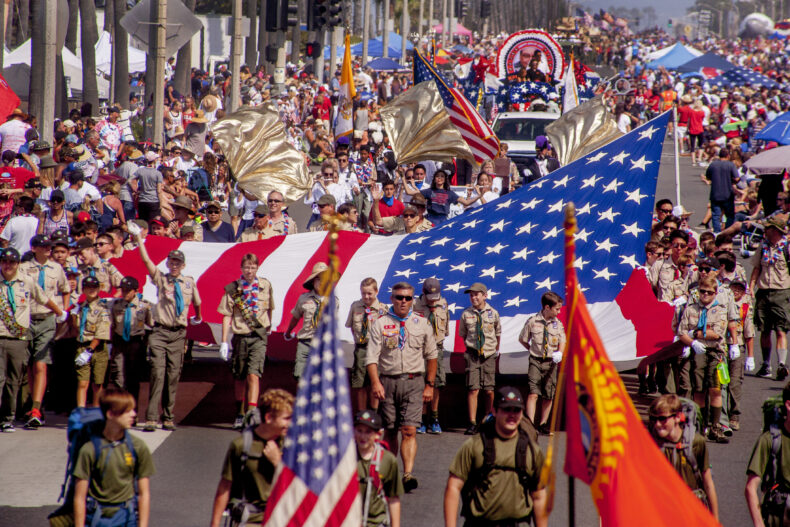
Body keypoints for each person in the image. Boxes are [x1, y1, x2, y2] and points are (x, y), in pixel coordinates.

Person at [367, 281, 438, 493]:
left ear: (412, 299)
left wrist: (430, 386)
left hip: (414, 382)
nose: (403, 301)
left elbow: (432, 356)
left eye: (407, 298)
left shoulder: (422, 323)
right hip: (388, 382)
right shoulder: (380, 323)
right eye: (399, 297)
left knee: (409, 430)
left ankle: (407, 474)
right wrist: (375, 382)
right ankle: (389, 473)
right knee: (389, 431)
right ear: (392, 299)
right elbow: (371, 358)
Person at [443, 387, 547, 527]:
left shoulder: (532, 450)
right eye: (506, 409)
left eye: (516, 410)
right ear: (494, 411)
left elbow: (539, 496)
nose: (511, 415)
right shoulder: (474, 446)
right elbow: (453, 487)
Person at [132, 224, 202, 432]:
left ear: (183, 264)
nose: (174, 265)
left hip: (178, 334)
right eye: (172, 261)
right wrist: (138, 240)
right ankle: (152, 417)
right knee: (157, 373)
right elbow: (146, 261)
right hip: (160, 332)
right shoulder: (161, 279)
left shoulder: (189, 283)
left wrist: (198, 317)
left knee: (173, 375)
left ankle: (168, 416)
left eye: (178, 262)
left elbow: (197, 302)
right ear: (168, 262)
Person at [0, 247, 65, 431]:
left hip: (19, 338)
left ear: (18, 264)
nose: (7, 265)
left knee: (14, 381)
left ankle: (6, 419)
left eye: (11, 262)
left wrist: (61, 313)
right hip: (0, 335)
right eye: (4, 261)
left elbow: (43, 298)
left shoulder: (26, 281)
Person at [209, 389, 294, 527]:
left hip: (281, 519)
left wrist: (278, 462)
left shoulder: (290, 446)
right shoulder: (242, 445)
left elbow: (299, 485)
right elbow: (225, 486)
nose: (290, 423)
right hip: (250, 520)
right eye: (286, 419)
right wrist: (215, 523)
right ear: (268, 418)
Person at [71, 387, 155, 527]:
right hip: (96, 517)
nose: (133, 414)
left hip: (126, 516)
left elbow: (144, 493)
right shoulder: (89, 450)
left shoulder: (138, 447)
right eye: (127, 411)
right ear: (110, 414)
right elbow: (79, 498)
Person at [218, 254, 275, 430]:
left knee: (253, 375)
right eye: (246, 267)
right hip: (240, 336)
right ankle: (240, 413)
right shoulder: (234, 289)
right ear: (241, 268)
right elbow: (227, 315)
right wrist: (224, 341)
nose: (249, 271)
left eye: (252, 267)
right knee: (240, 376)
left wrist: (267, 327)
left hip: (258, 337)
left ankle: (251, 413)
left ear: (257, 268)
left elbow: (270, 308)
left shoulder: (265, 285)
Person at [20, 234, 69, 428]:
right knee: (30, 365)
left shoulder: (56, 268)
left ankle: (36, 408)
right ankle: (33, 403)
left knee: (41, 365)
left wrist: (62, 312)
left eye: (49, 246)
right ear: (34, 248)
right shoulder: (23, 268)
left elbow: (65, 289)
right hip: (27, 319)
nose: (48, 249)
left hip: (47, 318)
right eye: (44, 246)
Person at [676, 275, 730, 443]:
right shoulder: (691, 309)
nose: (705, 295)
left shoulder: (720, 309)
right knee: (699, 390)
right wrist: (692, 343)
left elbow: (717, 333)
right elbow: (681, 332)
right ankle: (701, 427)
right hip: (698, 352)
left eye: (709, 292)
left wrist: (697, 333)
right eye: (702, 291)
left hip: (714, 353)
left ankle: (716, 426)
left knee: (715, 389)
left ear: (715, 293)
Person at [648, 394, 718, 518]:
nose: (657, 424)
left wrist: (715, 520)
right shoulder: (651, 444)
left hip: (691, 510)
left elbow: (708, 482)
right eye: (654, 419)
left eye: (663, 419)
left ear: (677, 417)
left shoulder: (696, 442)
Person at [749, 218, 790, 381]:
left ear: (776, 230)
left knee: (781, 330)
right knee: (764, 330)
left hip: (781, 292)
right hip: (764, 291)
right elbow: (757, 267)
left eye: (768, 229)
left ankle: (781, 364)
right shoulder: (763, 246)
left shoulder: (787, 247)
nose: (765, 231)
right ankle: (766, 364)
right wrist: (751, 287)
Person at [518, 292, 565, 433]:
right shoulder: (533, 321)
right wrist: (532, 349)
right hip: (535, 361)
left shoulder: (558, 324)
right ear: (547, 307)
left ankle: (543, 424)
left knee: (548, 394)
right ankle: (530, 424)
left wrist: (560, 353)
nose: (559, 311)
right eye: (557, 308)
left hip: (551, 362)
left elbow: (562, 340)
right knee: (533, 393)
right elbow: (523, 339)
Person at [458, 283, 501, 435]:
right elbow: (463, 335)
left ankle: (488, 419)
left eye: (477, 294)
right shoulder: (466, 314)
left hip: (488, 354)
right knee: (473, 389)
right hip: (473, 354)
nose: (474, 297)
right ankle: (472, 422)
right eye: (471, 295)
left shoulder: (493, 313)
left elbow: (497, 334)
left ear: (485, 296)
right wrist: (472, 349)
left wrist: (493, 350)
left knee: (489, 390)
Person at [745, 381, 790, 527]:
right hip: (779, 517)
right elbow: (751, 487)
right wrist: (759, 524)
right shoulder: (769, 440)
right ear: (788, 405)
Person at [108, 276, 152, 416]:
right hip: (120, 341)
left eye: (128, 291)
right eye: (123, 290)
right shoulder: (116, 305)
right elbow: (112, 325)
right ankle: (121, 408)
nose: (125, 293)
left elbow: (151, 325)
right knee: (118, 376)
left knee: (133, 378)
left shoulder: (144, 306)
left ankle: (133, 410)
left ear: (135, 291)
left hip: (136, 342)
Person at [355, 410, 403, 527]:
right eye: (359, 431)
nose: (363, 436)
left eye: (368, 432)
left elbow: (393, 498)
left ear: (378, 434)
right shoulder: (346, 458)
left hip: (376, 522)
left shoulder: (387, 459)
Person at [346, 277, 387, 413]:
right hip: (362, 349)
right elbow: (352, 327)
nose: (366, 296)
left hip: (377, 351)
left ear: (376, 291)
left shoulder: (383, 309)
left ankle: (373, 413)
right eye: (363, 293)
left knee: (375, 383)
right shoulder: (355, 306)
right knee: (360, 384)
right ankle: (362, 414)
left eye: (369, 293)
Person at [413, 278, 449, 435]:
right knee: (421, 383)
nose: (433, 301)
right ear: (423, 293)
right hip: (420, 350)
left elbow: (445, 328)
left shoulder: (443, 303)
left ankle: (434, 418)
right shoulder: (414, 305)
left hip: (437, 348)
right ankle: (420, 418)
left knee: (436, 384)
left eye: (436, 298)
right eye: (430, 298)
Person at [284, 262, 330, 380]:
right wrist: (288, 332)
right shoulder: (303, 298)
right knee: (300, 375)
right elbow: (296, 316)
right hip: (305, 342)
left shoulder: (333, 301)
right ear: (313, 281)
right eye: (318, 279)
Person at [72, 275, 113, 408]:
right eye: (88, 287)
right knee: (82, 382)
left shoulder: (103, 307)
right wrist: (73, 315)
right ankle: (80, 411)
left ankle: (96, 411)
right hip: (82, 346)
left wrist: (89, 350)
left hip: (97, 348)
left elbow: (101, 332)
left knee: (97, 383)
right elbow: (77, 329)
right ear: (83, 289)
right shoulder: (80, 307)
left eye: (94, 287)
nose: (91, 290)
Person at [704, 149, 739, 232]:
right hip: (727, 194)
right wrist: (731, 181)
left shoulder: (713, 165)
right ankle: (727, 231)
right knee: (730, 215)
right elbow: (737, 178)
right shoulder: (731, 165)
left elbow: (708, 177)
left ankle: (717, 233)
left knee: (716, 215)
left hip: (715, 194)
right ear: (728, 156)